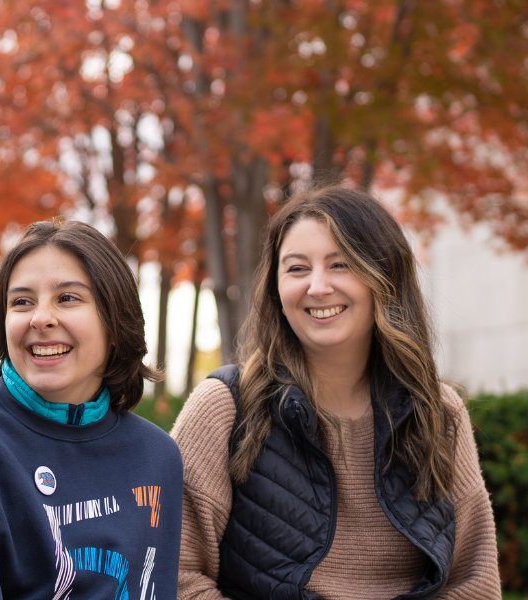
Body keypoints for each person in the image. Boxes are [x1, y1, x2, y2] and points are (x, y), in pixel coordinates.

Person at [170, 186, 500, 599]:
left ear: (384, 278)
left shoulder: (437, 411)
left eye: (340, 264)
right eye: (296, 269)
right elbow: (174, 577)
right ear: (275, 288)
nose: (318, 286)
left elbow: (475, 583)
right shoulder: (225, 407)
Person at [0, 220, 183, 600]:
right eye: (22, 302)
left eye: (67, 298)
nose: (40, 318)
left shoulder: (157, 455)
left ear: (115, 317)